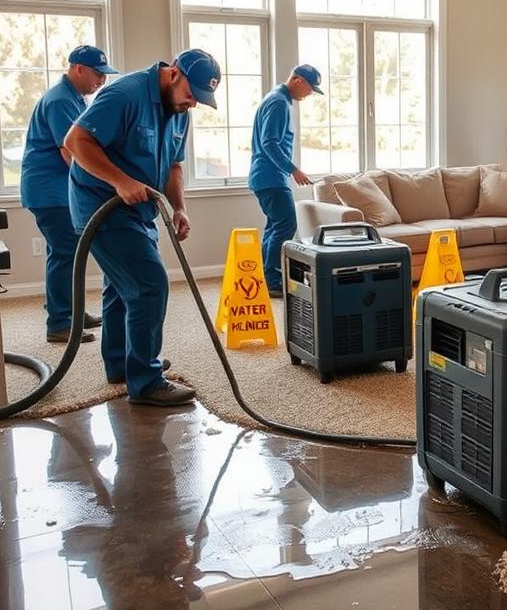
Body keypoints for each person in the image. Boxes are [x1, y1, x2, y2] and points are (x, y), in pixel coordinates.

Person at [64, 48, 221, 407]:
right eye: (191, 94)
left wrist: (179, 207)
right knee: (150, 284)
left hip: (140, 210)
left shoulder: (180, 111)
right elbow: (76, 142)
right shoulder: (125, 94)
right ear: (173, 73)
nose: (193, 103)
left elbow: (174, 166)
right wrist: (120, 181)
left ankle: (122, 364)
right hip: (102, 207)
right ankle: (146, 381)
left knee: (123, 287)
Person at [20, 45, 119, 344]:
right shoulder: (61, 100)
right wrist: (102, 185)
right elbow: (71, 152)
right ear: (77, 68)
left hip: (53, 189)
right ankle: (60, 323)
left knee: (63, 253)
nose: (101, 81)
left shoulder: (72, 98)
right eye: (97, 74)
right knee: (66, 253)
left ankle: (69, 312)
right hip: (50, 191)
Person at [248, 65, 322, 298]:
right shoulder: (279, 103)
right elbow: (269, 142)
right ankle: (272, 280)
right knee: (286, 224)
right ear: (298, 80)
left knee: (275, 226)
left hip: (266, 177)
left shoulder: (277, 99)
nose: (309, 94)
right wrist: (293, 170)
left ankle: (266, 276)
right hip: (271, 177)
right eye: (310, 88)